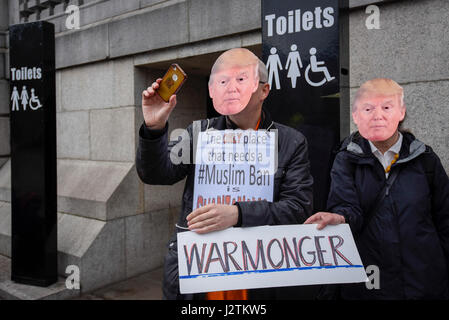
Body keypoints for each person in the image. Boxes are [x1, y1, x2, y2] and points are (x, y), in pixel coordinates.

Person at [136, 48, 313, 300]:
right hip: (199, 274)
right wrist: (154, 128)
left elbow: (297, 208)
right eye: (222, 81)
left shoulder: (290, 142)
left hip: (257, 275)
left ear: (264, 90)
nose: (231, 87)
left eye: (241, 79)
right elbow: (156, 174)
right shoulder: (198, 133)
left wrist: (238, 214)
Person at [305, 78, 449, 299]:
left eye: (386, 107)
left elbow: (444, 219)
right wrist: (339, 218)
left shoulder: (425, 160)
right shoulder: (346, 160)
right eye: (368, 108)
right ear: (356, 116)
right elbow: (346, 207)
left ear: (401, 112)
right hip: (371, 283)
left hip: (424, 282)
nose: (377, 115)